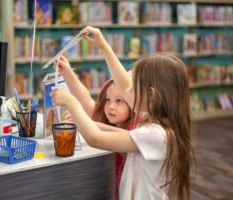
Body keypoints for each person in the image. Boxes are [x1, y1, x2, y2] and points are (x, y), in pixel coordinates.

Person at [51, 26, 194, 200]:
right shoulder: (158, 123)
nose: (127, 91)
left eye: (133, 89)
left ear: (151, 95)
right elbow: (124, 94)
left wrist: (70, 102)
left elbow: (95, 139)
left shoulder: (156, 133)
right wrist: (103, 47)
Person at [55, 55, 141, 199]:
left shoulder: (137, 128)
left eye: (119, 101)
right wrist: (68, 73)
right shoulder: (107, 118)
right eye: (107, 100)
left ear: (133, 103)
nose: (111, 107)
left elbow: (97, 136)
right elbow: (86, 100)